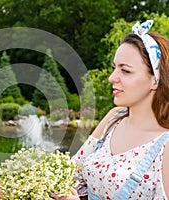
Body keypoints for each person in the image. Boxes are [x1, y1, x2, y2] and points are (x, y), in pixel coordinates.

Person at [52, 20, 169, 199]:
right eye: (115, 68)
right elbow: (70, 176)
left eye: (126, 71)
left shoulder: (165, 146)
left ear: (155, 80)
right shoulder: (114, 118)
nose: (111, 78)